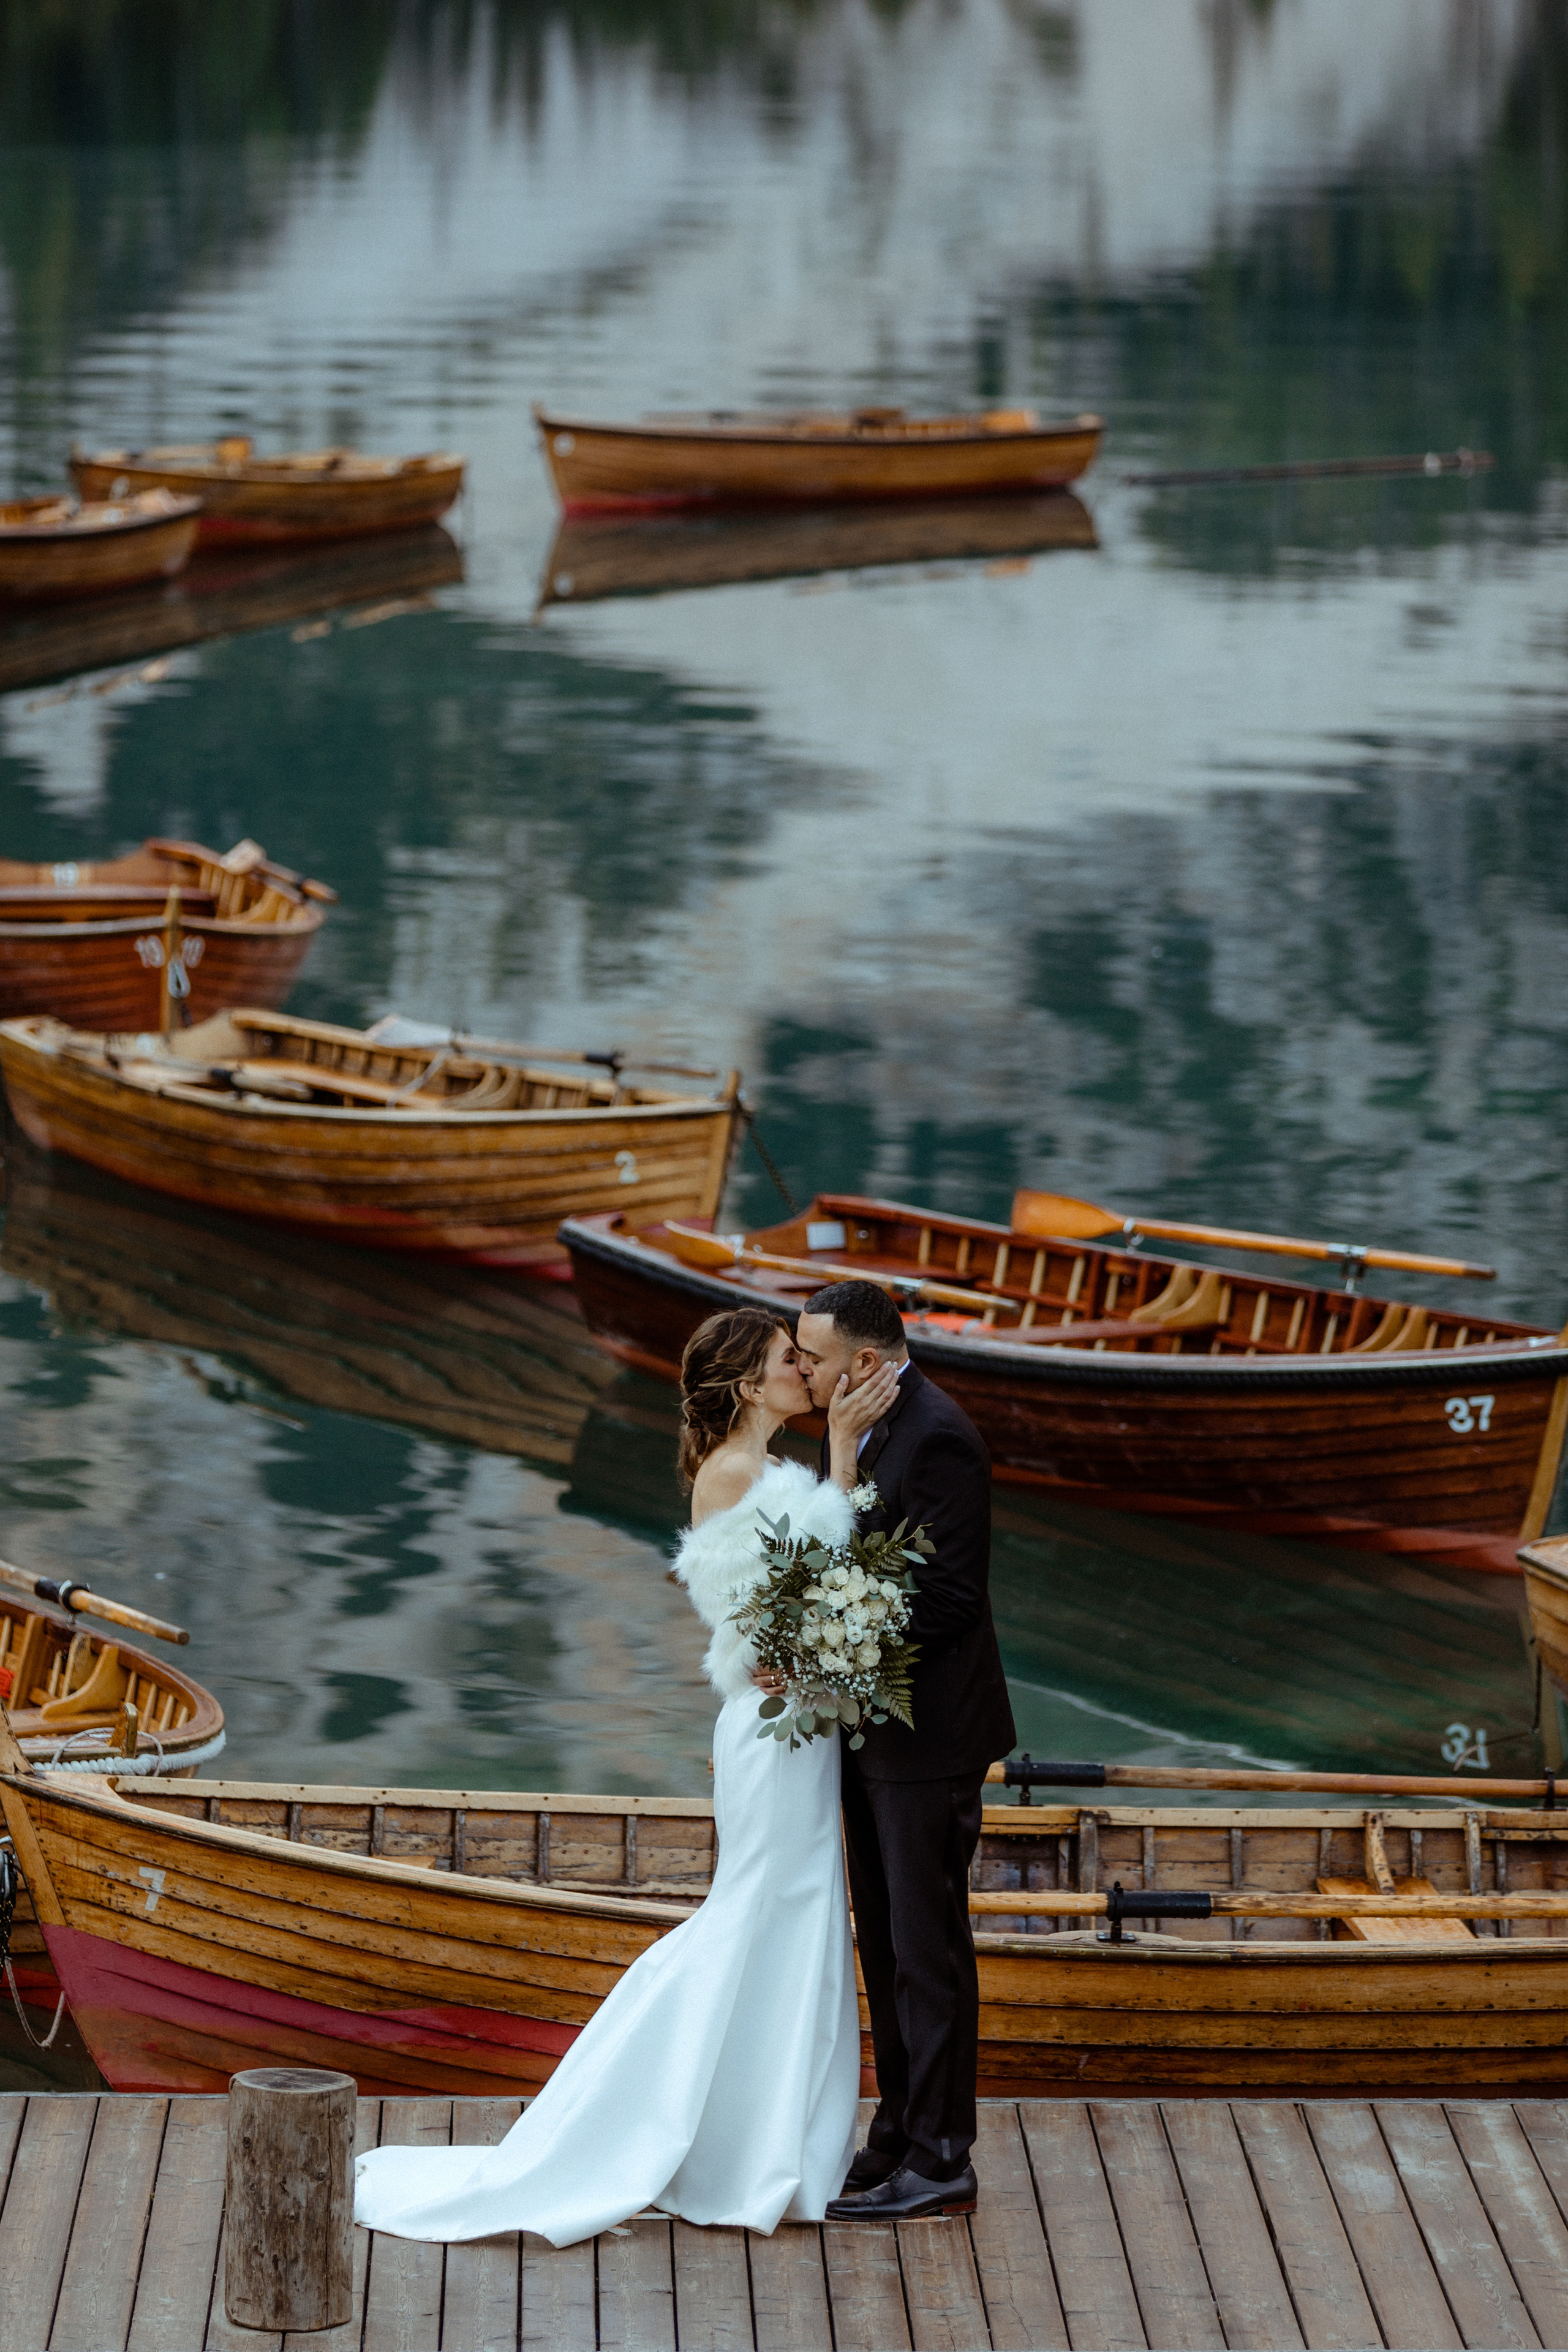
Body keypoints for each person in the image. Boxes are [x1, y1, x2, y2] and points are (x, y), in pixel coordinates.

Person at [352, 1305, 897, 2248]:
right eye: (785, 1361)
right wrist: (847, 1458)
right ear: (743, 1384)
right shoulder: (732, 1474)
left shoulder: (772, 1470)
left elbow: (810, 1597)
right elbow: (777, 1620)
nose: (803, 1374)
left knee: (798, 1925)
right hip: (771, 1737)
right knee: (753, 1916)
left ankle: (762, 2152)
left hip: (802, 1732)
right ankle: (666, 2134)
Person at [792, 1280, 1016, 2223]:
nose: (803, 1370)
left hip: (931, 1735)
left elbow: (951, 1599)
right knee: (883, 1942)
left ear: (866, 1366)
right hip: (871, 1730)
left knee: (929, 1950)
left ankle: (942, 2158)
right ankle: (897, 2131)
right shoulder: (862, 1431)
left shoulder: (940, 1437)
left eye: (815, 1358)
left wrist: (838, 1635)